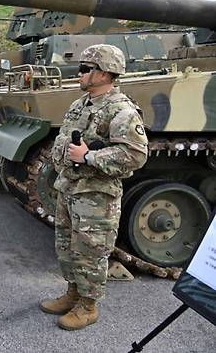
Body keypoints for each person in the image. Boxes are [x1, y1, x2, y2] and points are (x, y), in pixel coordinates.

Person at [41, 44, 148, 330]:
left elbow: (135, 154)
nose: (80, 73)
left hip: (96, 196)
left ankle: (88, 306)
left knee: (90, 251)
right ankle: (73, 294)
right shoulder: (81, 104)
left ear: (104, 74)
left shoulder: (121, 110)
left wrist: (89, 156)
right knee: (67, 246)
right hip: (70, 189)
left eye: (86, 69)